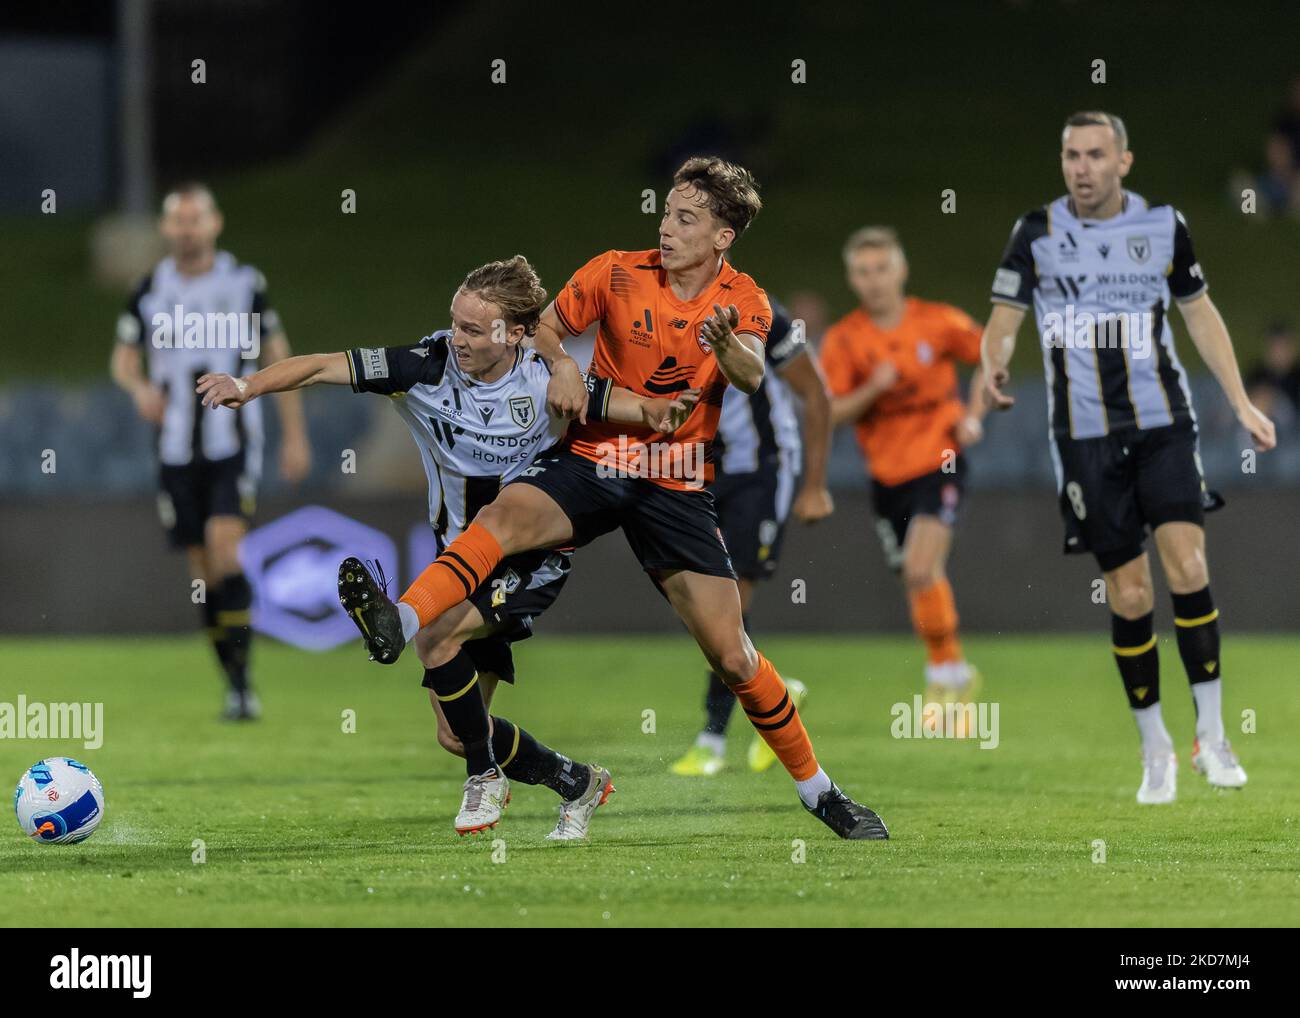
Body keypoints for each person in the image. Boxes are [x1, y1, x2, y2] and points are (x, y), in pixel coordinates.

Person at [341, 156, 889, 840]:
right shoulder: (615, 270)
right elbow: (541, 326)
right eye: (665, 211)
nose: (665, 227)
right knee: (504, 516)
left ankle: (821, 794)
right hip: (597, 457)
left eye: (685, 219)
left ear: (722, 236)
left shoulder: (744, 299)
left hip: (676, 480)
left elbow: (750, 375)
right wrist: (566, 361)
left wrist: (727, 347)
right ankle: (398, 615)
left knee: (734, 656)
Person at [197, 255, 694, 839]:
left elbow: (623, 405)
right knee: (456, 733)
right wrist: (248, 385)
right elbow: (321, 367)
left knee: (435, 637)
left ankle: (484, 775)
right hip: (454, 559)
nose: (454, 338)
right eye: (454, 323)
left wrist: (663, 413)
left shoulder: (544, 375)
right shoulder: (424, 366)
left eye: (471, 329)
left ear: (514, 334)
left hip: (529, 558)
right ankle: (577, 783)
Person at [981, 111, 1277, 804]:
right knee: (1133, 593)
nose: (1080, 167)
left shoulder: (1163, 227)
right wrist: (992, 367)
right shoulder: (1036, 232)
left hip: (1163, 424)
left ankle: (1212, 735)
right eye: (1070, 155)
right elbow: (1001, 320)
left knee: (1190, 566)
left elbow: (1199, 312)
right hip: (1082, 438)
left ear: (1123, 162)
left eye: (1093, 154)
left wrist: (1239, 402)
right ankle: (1156, 748)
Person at [111, 183, 312, 721]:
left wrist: (295, 433)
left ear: (214, 223)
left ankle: (244, 681)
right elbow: (123, 359)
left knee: (226, 550)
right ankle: (232, 678)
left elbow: (278, 354)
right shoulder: (149, 288)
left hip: (233, 442)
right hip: (175, 450)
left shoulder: (244, 283)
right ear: (165, 229)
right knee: (202, 574)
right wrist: (139, 389)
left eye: (195, 219)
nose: (187, 229)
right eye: (178, 220)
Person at [820, 226, 988, 731]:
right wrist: (872, 387)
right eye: (863, 271)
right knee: (919, 579)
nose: (873, 281)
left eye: (882, 269)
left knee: (919, 567)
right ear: (852, 278)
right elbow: (830, 412)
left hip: (941, 460)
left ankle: (943, 674)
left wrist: (975, 413)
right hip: (886, 476)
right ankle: (956, 672)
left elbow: (991, 357)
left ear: (901, 270)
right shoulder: (846, 339)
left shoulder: (937, 321)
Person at [669, 298, 834, 776]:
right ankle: (779, 694)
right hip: (698, 471)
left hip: (762, 471)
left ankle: (711, 741)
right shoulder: (658, 304)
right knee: (700, 610)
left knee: (730, 607)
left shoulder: (763, 313)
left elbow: (817, 394)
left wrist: (816, 486)